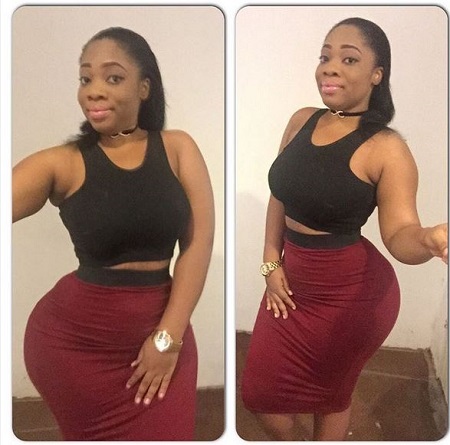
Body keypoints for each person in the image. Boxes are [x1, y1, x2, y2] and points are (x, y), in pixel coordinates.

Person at [240, 17, 448, 441]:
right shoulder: (301, 120)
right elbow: (281, 193)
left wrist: (428, 240)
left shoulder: (386, 148)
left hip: (350, 298)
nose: (330, 67)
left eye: (348, 59)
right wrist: (270, 261)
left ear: (376, 74)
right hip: (291, 284)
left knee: (331, 396)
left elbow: (400, 235)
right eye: (325, 56)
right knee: (261, 398)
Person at [12, 27, 215, 441]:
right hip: (73, 347)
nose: (94, 90)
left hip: (163, 332)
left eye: (113, 77)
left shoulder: (178, 148)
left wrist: (167, 338)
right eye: (85, 78)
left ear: (144, 88)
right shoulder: (64, 162)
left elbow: (198, 244)